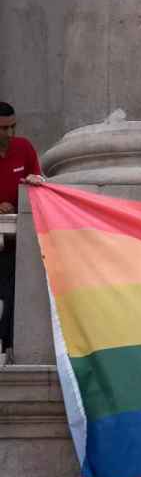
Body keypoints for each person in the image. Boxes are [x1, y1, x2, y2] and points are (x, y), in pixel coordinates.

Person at [0, 102, 44, 354]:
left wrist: (34, 183)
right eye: (3, 129)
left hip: (20, 240)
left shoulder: (24, 147)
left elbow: (37, 181)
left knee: (13, 292)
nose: (8, 134)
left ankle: (8, 343)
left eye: (12, 127)